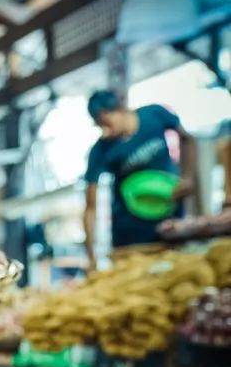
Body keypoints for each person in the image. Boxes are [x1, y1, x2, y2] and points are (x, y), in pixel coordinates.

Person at [83, 89, 196, 266]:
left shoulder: (155, 115)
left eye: (107, 123)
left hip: (169, 218)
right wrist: (91, 258)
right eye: (99, 126)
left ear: (119, 109)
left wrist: (188, 177)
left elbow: (187, 138)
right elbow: (90, 206)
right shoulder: (100, 150)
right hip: (130, 233)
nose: (105, 132)